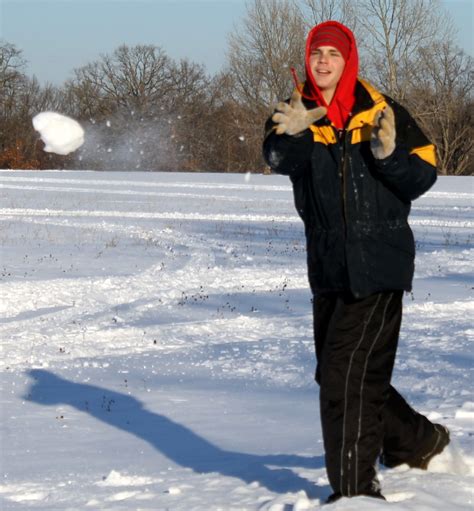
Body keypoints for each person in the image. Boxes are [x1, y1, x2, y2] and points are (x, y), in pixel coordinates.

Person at [262, 20, 450, 503]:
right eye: (316, 53)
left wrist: (388, 155)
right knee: (339, 375)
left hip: (381, 264)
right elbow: (279, 156)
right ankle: (418, 442)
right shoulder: (295, 110)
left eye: (333, 54)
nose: (322, 61)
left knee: (346, 378)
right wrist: (301, 132)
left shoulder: (382, 111)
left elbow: (423, 174)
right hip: (328, 268)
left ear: (348, 60)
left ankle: (354, 490)